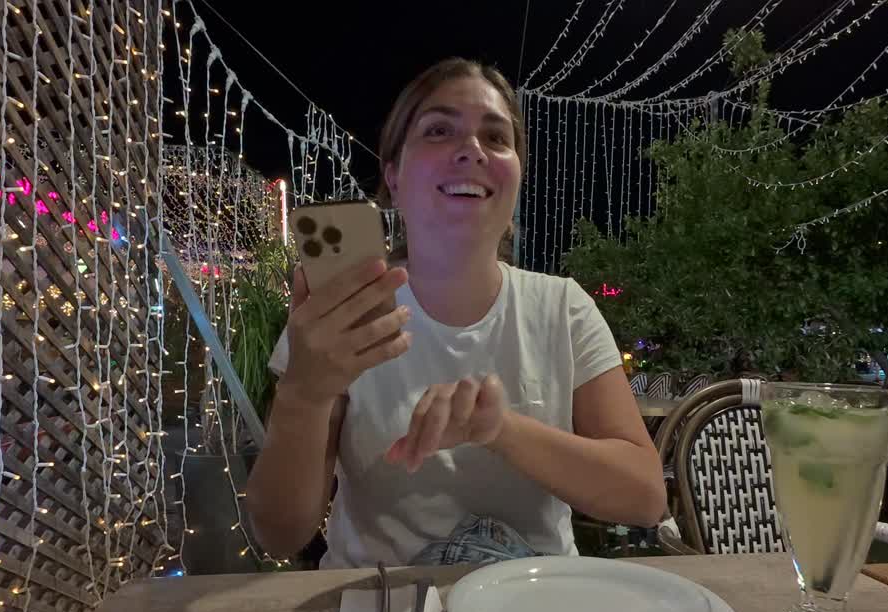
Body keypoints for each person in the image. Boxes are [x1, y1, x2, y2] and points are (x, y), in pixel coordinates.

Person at [248, 58, 664, 569]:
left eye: (496, 137)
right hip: (377, 602)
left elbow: (645, 497)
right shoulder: (341, 316)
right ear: (394, 176)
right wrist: (305, 393)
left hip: (536, 602)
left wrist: (500, 429)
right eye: (439, 130)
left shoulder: (563, 309)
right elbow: (280, 534)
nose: (472, 149)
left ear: (515, 180)